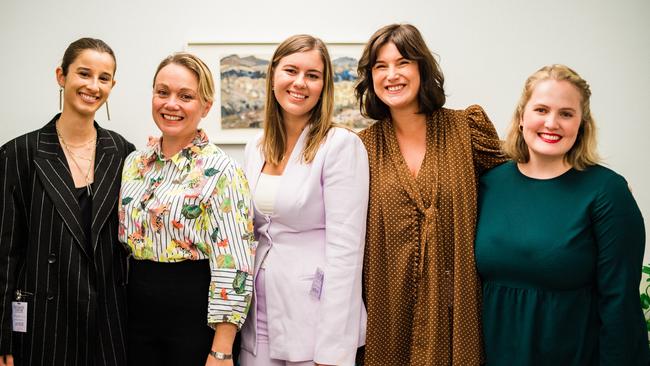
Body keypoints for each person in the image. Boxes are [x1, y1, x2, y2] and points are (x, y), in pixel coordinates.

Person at [475, 64, 649, 365]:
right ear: (521, 118)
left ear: (582, 124)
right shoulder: (488, 183)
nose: (551, 123)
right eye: (541, 109)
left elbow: (621, 304)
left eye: (566, 113)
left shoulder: (607, 191)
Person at [355, 24, 505, 365]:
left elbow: (516, 185)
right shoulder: (360, 149)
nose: (392, 74)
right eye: (381, 66)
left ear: (422, 67)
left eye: (403, 62)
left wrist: (578, 182)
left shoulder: (466, 130)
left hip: (457, 314)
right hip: (386, 318)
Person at [0, 38, 134, 366]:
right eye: (84, 74)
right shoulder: (19, 154)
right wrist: (2, 335)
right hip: (44, 325)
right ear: (61, 76)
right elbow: (5, 255)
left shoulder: (125, 155)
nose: (93, 86)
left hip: (108, 322)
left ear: (112, 86)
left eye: (104, 78)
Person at [239, 34, 369, 366]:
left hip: (314, 318)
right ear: (272, 76)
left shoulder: (340, 145)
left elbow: (346, 254)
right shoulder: (255, 146)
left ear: (324, 86)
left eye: (312, 75)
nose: (300, 82)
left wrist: (333, 350)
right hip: (259, 313)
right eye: (291, 70)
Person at [118, 52, 254, 366]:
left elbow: (234, 265)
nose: (171, 104)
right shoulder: (134, 164)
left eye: (186, 96)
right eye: (162, 92)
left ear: (206, 105)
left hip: (193, 317)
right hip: (134, 315)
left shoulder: (222, 172)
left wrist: (221, 350)